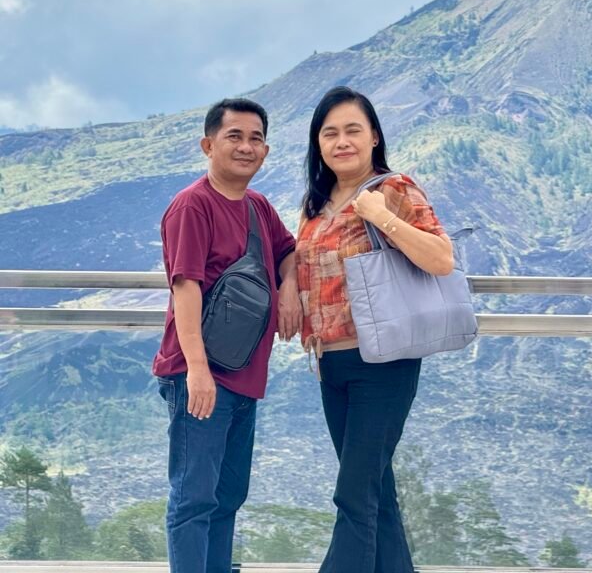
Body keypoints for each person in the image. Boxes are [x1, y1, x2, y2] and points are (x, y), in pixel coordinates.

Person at [296, 86, 453, 573]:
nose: (341, 141)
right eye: (330, 133)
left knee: (353, 496)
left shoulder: (393, 189)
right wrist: (284, 287)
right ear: (318, 143)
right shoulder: (316, 203)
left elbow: (441, 258)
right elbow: (299, 260)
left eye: (352, 130)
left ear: (374, 137)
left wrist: (381, 216)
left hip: (383, 363)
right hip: (331, 364)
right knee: (375, 495)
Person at [152, 98, 301, 573]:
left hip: (243, 376)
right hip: (199, 375)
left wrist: (289, 288)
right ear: (208, 145)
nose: (246, 147)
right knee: (194, 497)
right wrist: (197, 371)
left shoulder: (258, 207)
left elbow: (289, 252)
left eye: (256, 139)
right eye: (234, 136)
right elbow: (185, 288)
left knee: (228, 495)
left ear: (266, 150)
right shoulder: (192, 205)